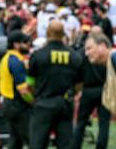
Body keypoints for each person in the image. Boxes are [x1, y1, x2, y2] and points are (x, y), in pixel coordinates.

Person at [27, 20, 83, 149]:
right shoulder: (74, 56)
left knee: (38, 143)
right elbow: (79, 85)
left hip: (43, 103)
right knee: (65, 143)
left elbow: (30, 83)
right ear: (64, 34)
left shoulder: (37, 55)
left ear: (47, 33)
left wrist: (35, 97)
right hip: (65, 104)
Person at [70, 31, 111, 149]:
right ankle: (101, 147)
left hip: (88, 90)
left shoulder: (83, 54)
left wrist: (77, 90)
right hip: (104, 89)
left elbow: (77, 75)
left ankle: (75, 146)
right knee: (104, 123)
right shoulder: (104, 55)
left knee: (81, 122)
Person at [0, 31, 33, 149]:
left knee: (15, 140)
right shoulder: (15, 62)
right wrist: (33, 102)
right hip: (18, 105)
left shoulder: (7, 58)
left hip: (9, 103)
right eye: (25, 43)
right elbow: (23, 90)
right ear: (16, 44)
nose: (29, 45)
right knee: (33, 139)